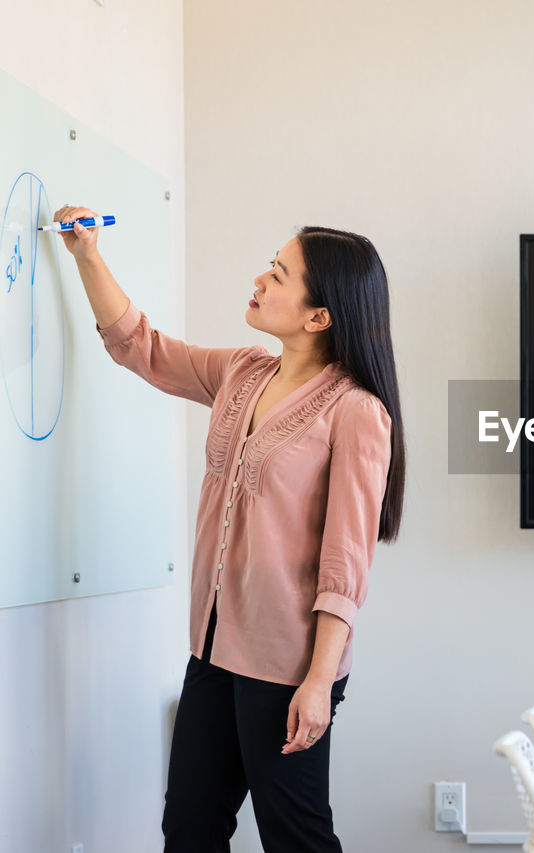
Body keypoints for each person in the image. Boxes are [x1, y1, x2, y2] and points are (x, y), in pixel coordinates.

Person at [56, 205, 407, 849]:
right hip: (214, 649)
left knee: (294, 836)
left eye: (278, 274)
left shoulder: (357, 413)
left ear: (319, 317)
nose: (260, 279)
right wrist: (87, 255)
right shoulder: (242, 373)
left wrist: (319, 682)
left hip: (290, 665)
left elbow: (345, 566)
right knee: (189, 828)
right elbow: (142, 347)